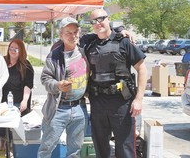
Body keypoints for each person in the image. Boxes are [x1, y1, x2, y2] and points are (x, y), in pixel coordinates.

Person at [85, 8, 147, 158]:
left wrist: (138, 100)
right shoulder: (88, 44)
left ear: (108, 19)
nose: (98, 23)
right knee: (100, 146)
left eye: (101, 19)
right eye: (94, 21)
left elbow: (142, 70)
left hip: (122, 103)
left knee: (125, 147)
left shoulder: (124, 42)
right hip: (98, 102)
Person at [38, 17, 89, 158]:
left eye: (75, 32)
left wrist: (123, 31)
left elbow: (103, 33)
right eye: (68, 33)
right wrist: (58, 86)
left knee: (75, 150)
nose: (73, 36)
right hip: (58, 109)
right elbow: (45, 79)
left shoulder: (85, 52)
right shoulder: (53, 56)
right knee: (46, 149)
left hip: (79, 109)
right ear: (61, 35)